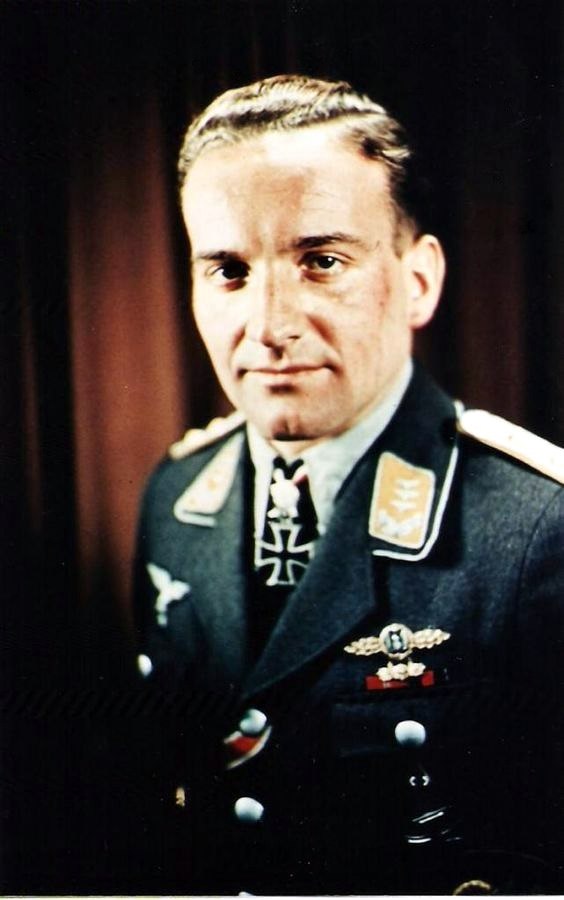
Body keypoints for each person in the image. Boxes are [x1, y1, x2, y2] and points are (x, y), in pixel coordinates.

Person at [133, 74, 564, 895]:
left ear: (418, 281)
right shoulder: (175, 502)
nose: (268, 326)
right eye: (228, 270)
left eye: (321, 262)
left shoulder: (537, 530)